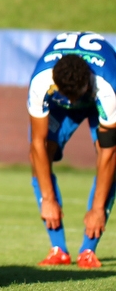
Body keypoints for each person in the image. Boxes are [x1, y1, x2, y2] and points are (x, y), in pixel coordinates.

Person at [27, 32, 116, 268]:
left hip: (97, 102)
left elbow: (109, 153)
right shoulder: (41, 81)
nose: (74, 102)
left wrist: (98, 209)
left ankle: (88, 250)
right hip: (60, 105)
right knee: (40, 157)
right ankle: (59, 249)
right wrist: (48, 198)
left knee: (110, 163)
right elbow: (37, 142)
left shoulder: (108, 87)